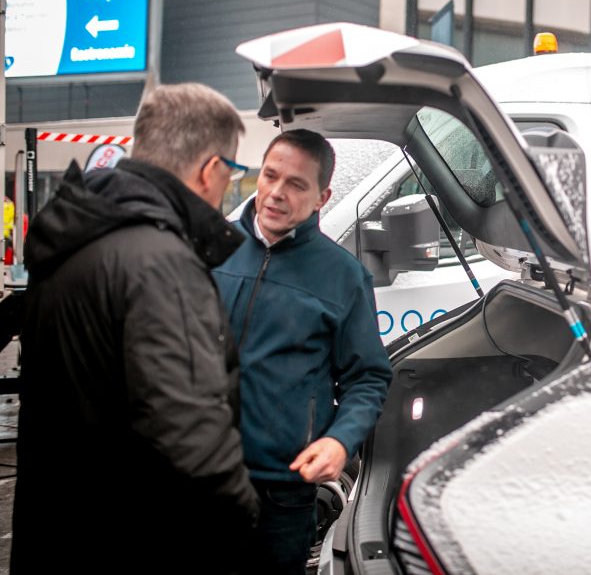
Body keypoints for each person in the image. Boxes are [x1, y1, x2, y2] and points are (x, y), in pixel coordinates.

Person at [12, 83, 260, 574]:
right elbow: (191, 438)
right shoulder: (161, 264)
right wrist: (243, 521)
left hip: (55, 530)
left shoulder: (76, 235)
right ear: (210, 169)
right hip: (137, 542)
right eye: (231, 171)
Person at [214, 129, 392, 574]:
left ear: (321, 198)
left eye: (296, 184)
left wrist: (339, 440)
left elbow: (368, 378)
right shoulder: (213, 250)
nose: (276, 192)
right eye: (270, 176)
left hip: (282, 493)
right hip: (199, 474)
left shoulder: (343, 277)